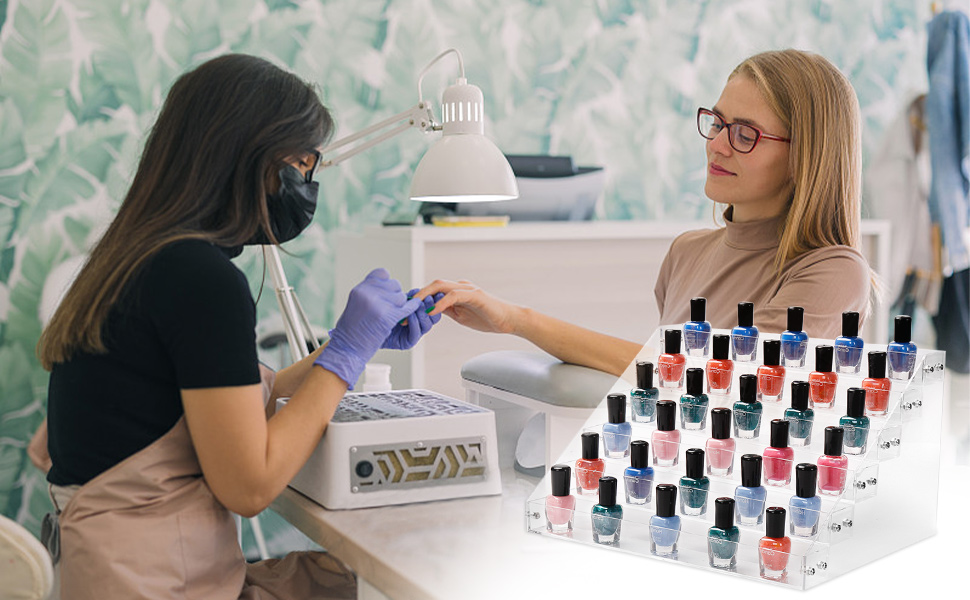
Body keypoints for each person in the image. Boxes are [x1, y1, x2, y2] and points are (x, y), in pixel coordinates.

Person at [35, 54, 439, 599]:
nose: (305, 183)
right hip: (155, 584)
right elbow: (250, 485)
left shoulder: (135, 258)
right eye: (301, 165)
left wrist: (356, 346)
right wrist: (343, 354)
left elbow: (198, 401)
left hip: (112, 571)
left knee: (350, 577)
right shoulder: (201, 280)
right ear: (254, 160)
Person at [416, 49, 871, 376]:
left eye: (745, 134)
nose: (715, 144)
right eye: (716, 123)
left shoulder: (832, 271)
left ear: (805, 157)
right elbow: (658, 381)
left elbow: (713, 379)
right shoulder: (687, 252)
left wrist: (517, 320)